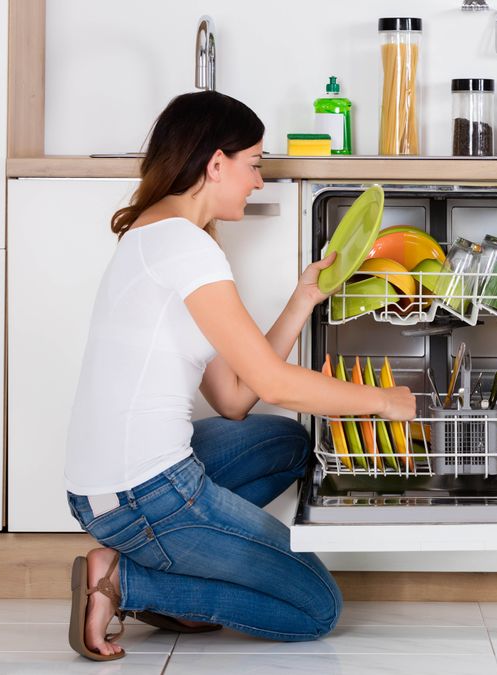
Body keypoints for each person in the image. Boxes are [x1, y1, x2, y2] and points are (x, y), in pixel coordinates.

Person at [62, 90, 416, 661]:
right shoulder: (186, 248)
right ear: (215, 163)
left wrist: (304, 298)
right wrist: (382, 400)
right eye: (254, 164)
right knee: (316, 608)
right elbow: (273, 385)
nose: (258, 181)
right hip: (146, 495)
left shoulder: (158, 235)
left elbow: (233, 397)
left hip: (102, 490)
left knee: (286, 442)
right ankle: (125, 582)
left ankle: (171, 557)